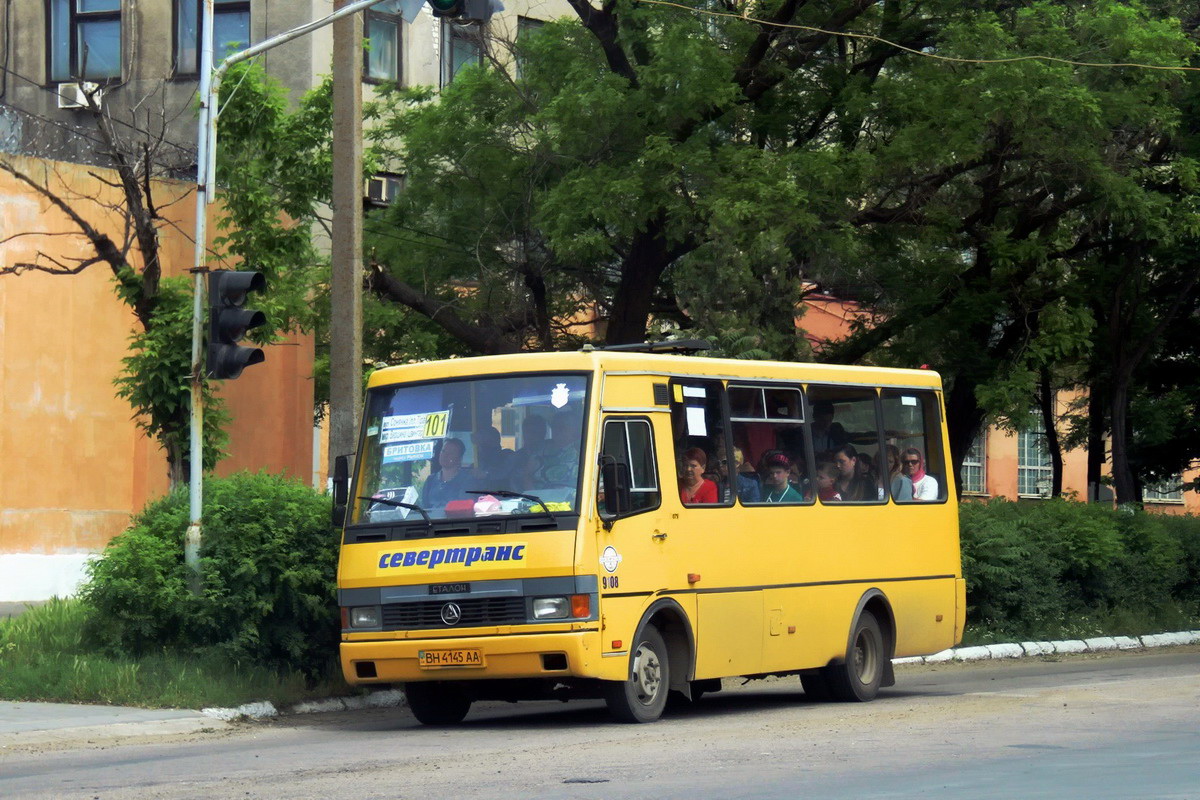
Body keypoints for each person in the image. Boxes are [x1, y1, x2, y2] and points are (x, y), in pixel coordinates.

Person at [421, 437, 472, 510]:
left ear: (459, 458)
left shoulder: (467, 481)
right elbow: (424, 508)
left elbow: (466, 509)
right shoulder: (430, 480)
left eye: (450, 453)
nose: (445, 455)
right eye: (443, 451)